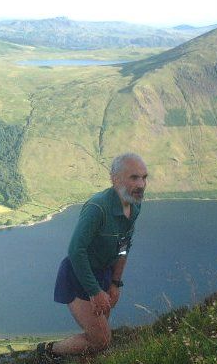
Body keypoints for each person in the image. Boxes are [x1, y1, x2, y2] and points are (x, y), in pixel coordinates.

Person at [37, 153, 148, 361]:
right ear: (115, 179)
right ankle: (48, 350)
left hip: (104, 275)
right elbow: (76, 251)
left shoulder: (135, 205)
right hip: (80, 275)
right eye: (134, 177)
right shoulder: (97, 208)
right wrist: (95, 291)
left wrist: (115, 283)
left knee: (98, 335)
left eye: (144, 177)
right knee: (101, 340)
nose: (141, 184)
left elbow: (124, 245)